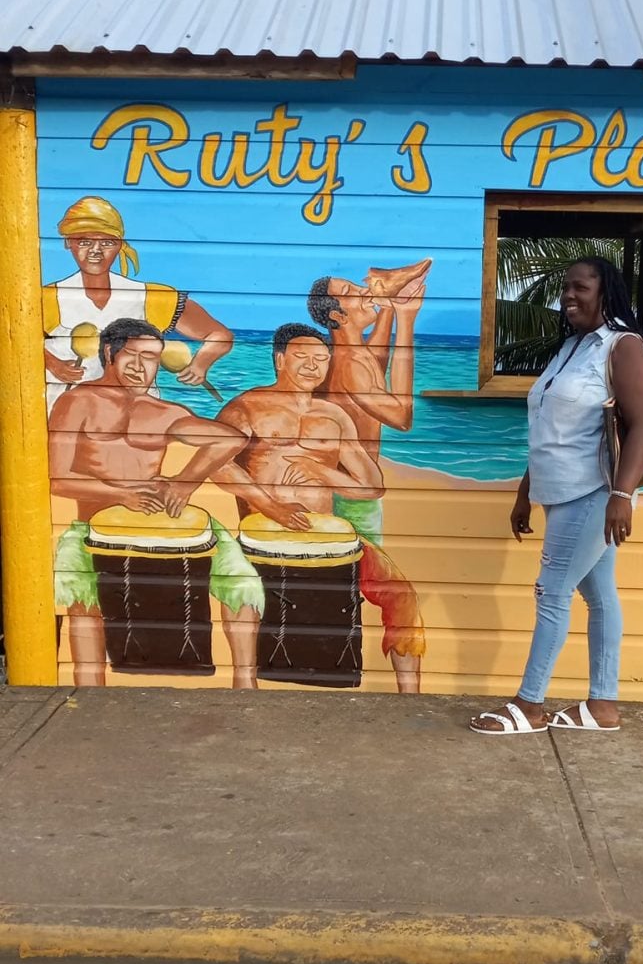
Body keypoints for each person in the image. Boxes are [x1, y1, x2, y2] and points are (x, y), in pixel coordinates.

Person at [470, 255, 643, 736]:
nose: (569, 296)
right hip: (560, 492)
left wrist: (622, 493)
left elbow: (642, 426)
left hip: (595, 491)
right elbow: (550, 430)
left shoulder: (624, 346)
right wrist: (524, 493)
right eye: (565, 288)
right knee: (599, 596)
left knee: (552, 591)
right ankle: (602, 705)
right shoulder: (572, 347)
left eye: (580, 287)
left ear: (606, 292)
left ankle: (530, 704)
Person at [49, 318, 264, 688]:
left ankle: (246, 686)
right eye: (131, 355)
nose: (140, 366)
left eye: (150, 357)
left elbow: (229, 439)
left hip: (165, 524)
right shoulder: (77, 401)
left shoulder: (163, 412)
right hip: (93, 528)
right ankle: (87, 692)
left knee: (242, 585)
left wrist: (184, 483)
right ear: (108, 354)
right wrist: (121, 494)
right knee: (81, 595)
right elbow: (57, 477)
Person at [218, 323, 425, 691]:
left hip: (327, 536)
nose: (313, 367)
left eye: (321, 359)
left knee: (402, 595)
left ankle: (412, 697)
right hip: (263, 533)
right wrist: (271, 507)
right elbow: (218, 464)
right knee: (238, 585)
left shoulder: (333, 416)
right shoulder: (246, 407)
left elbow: (372, 485)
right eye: (302, 358)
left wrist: (319, 469)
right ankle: (243, 685)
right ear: (280, 359)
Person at [306, 262, 429, 690]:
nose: (363, 291)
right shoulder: (350, 363)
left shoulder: (350, 355)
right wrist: (408, 321)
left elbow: (375, 362)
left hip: (352, 500)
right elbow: (402, 414)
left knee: (351, 597)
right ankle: (408, 700)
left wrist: (393, 308)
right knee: (400, 598)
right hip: (351, 503)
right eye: (352, 291)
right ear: (337, 316)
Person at [43, 196, 233, 409]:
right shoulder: (48, 297)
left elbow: (220, 335)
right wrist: (52, 363)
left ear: (120, 245)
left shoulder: (148, 296)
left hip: (136, 416)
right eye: (84, 241)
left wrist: (201, 363)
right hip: (66, 415)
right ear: (68, 242)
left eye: (107, 242)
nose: (96, 250)